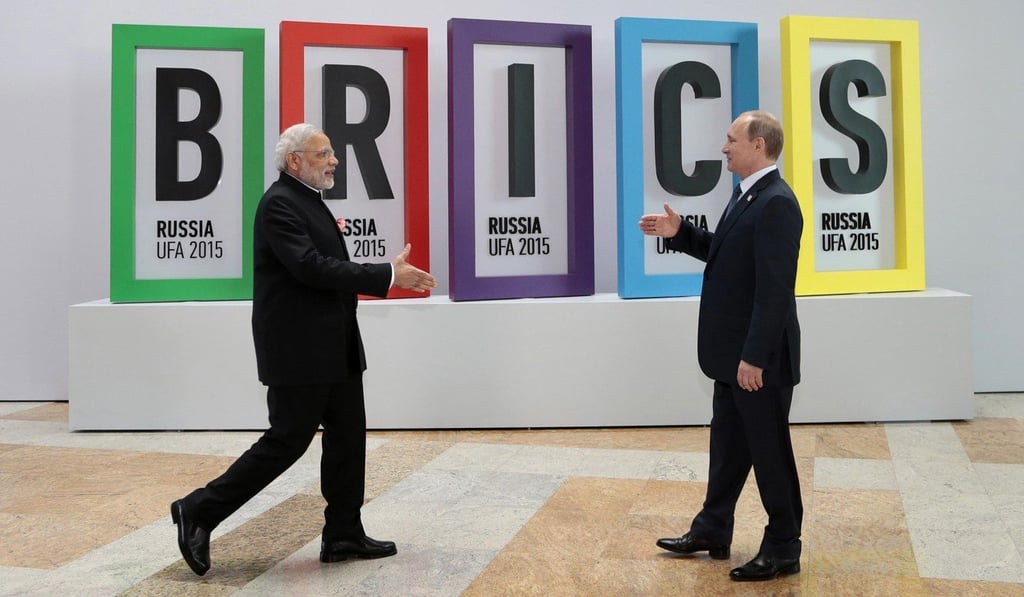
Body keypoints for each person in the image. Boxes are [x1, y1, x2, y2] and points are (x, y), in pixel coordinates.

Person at [171, 123, 436, 576]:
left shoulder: (308, 203)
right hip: (300, 349)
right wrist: (386, 277)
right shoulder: (279, 204)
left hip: (335, 346)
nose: (334, 160)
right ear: (294, 161)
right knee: (286, 442)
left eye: (332, 153)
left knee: (348, 438)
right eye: (323, 154)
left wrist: (382, 274)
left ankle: (343, 533)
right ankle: (198, 509)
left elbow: (326, 269)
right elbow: (311, 269)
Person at [639, 110, 804, 582]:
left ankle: (783, 547)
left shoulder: (777, 203)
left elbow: (775, 290)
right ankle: (713, 528)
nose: (724, 146)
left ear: (759, 144)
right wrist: (682, 234)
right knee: (728, 447)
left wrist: (754, 356)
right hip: (730, 357)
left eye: (732, 139)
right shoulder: (746, 194)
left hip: (757, 361)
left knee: (770, 453)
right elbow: (728, 256)